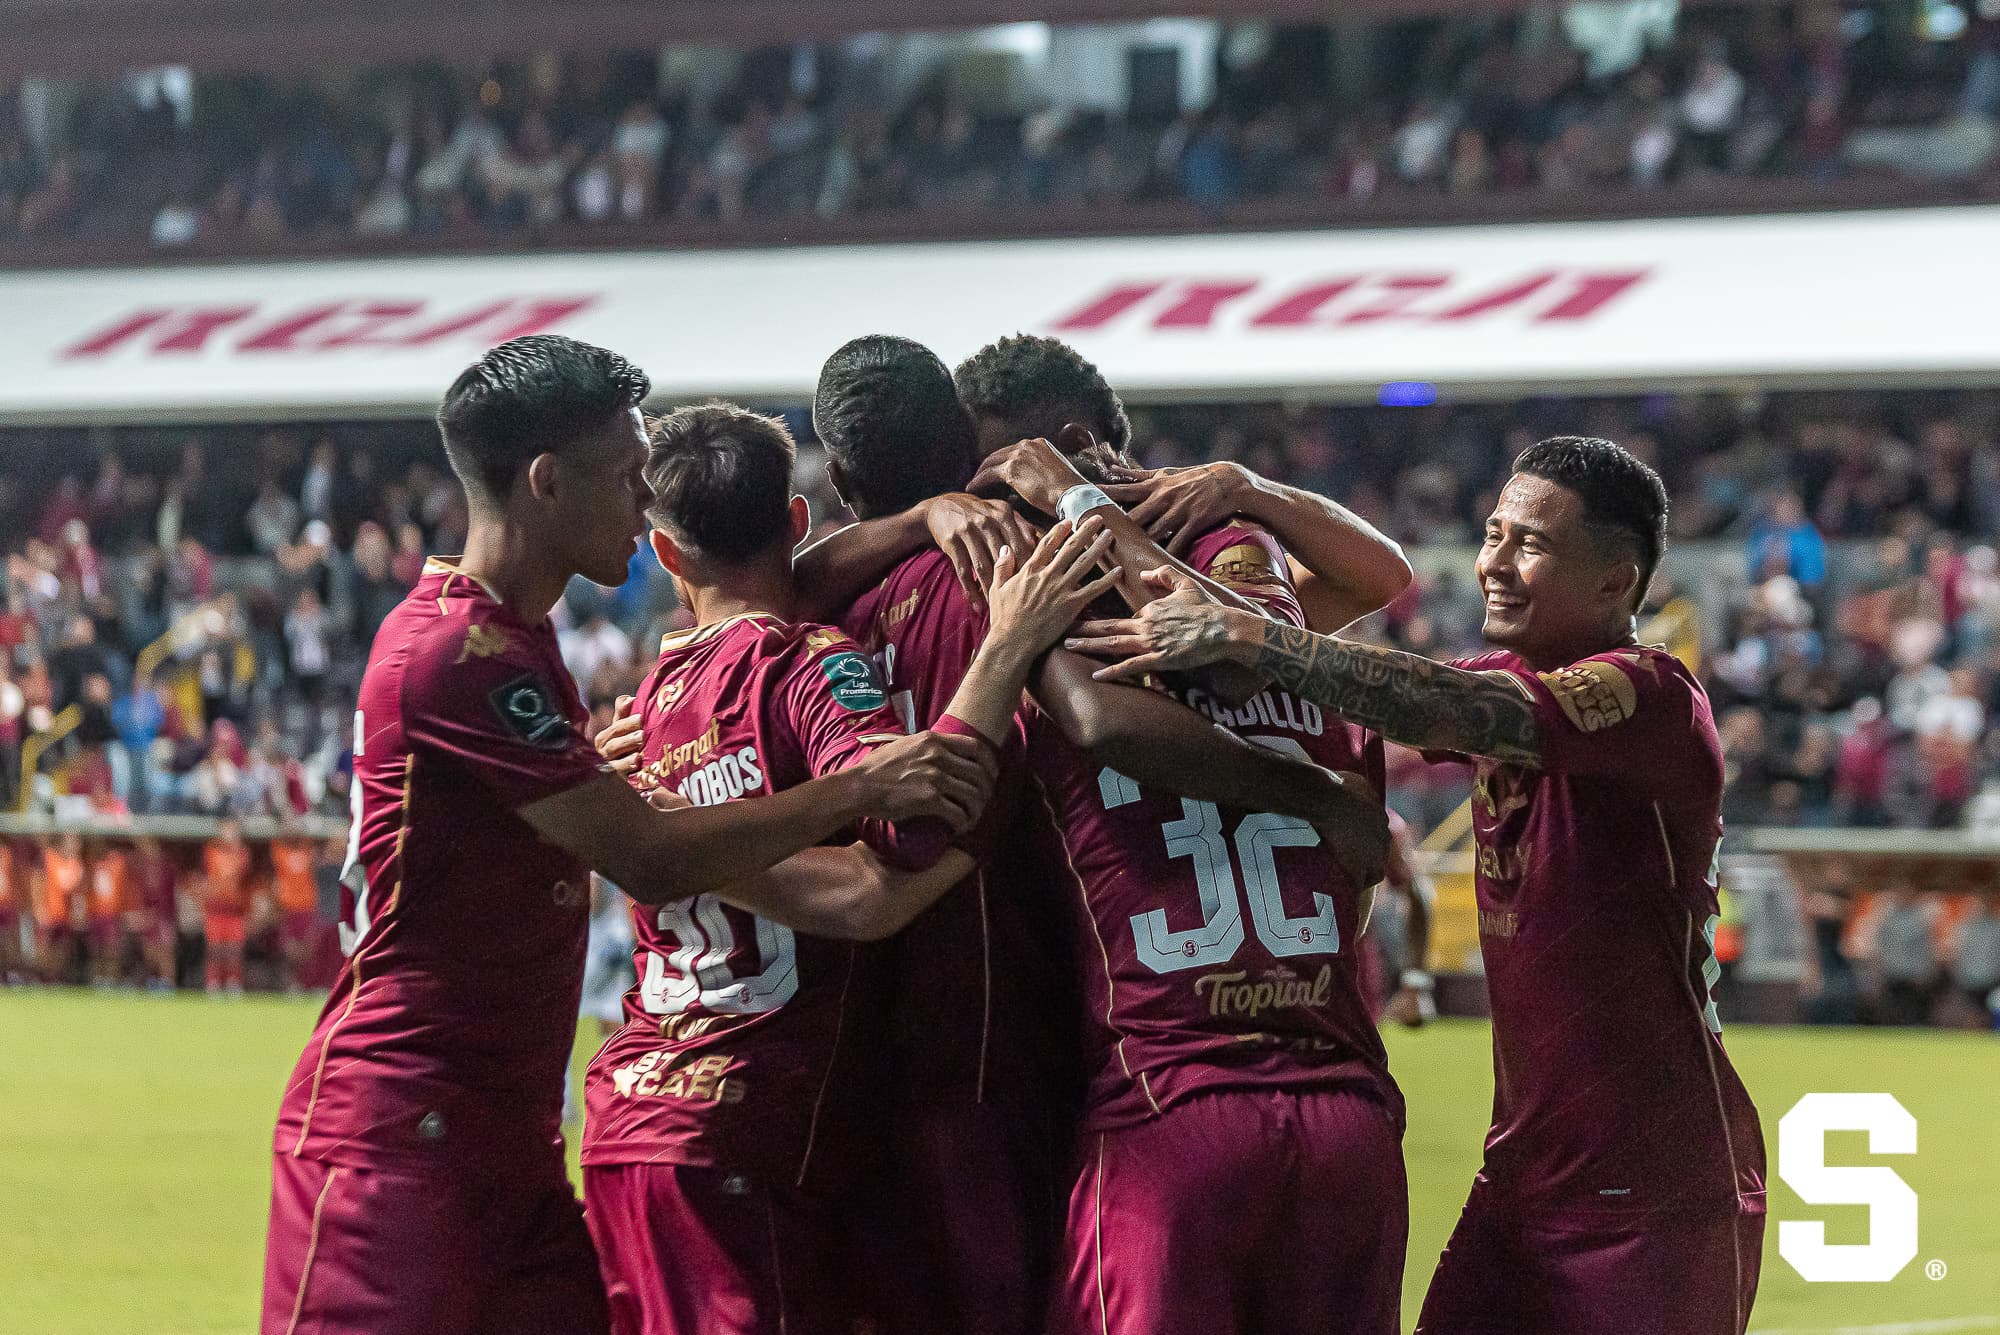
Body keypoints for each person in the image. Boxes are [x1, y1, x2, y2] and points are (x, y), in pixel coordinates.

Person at [261, 336, 998, 1335]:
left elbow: (765, 590)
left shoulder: (507, 640)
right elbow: (647, 856)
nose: (645, 503)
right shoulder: (458, 654)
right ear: (545, 483)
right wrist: (853, 788)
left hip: (508, 1145)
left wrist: (914, 521)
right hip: (395, 1142)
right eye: (625, 477)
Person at [1070, 435, 1767, 1335]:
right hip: (1523, 1177)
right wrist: (1234, 501)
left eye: (1531, 544)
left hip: (1656, 1194)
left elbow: (1435, 701)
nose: (1493, 564)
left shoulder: (1652, 694)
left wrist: (1254, 630)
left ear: (1614, 581)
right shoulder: (1511, 676)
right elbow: (1362, 681)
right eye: (1493, 533)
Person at [798, 333, 1402, 1335]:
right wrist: (1317, 796)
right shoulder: (1054, 580)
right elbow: (1276, 641)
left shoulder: (846, 609)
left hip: (1027, 1079)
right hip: (1214, 1074)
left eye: (1004, 472)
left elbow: (754, 591)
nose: (999, 499)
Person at [583, 401, 1119, 1335]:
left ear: (666, 557)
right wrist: (1000, 661)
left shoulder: (646, 703)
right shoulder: (810, 667)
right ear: (796, 520)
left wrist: (676, 841)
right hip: (747, 1124)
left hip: (626, 1118)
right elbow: (909, 830)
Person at [203, 816, 252, 995]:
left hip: (234, 908)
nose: (229, 833)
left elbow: (243, 870)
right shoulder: (212, 852)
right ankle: (213, 981)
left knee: (233, 948)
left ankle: (233, 981)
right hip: (215, 907)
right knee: (215, 948)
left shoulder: (242, 853)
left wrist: (236, 846)